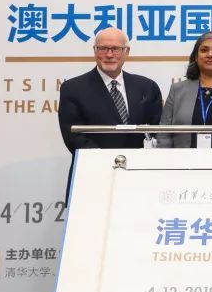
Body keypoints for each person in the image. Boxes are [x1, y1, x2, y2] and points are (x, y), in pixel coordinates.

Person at [58, 28, 162, 188]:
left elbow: (157, 130)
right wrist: (109, 160)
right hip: (93, 175)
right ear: (94, 50)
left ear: (126, 51)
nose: (109, 54)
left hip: (139, 174)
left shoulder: (147, 86)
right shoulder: (72, 88)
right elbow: (73, 137)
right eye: (103, 48)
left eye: (116, 49)